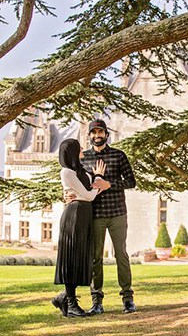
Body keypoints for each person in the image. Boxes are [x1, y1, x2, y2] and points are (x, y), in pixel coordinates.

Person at [65, 119, 137, 315]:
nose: (97, 135)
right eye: (94, 132)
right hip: (94, 215)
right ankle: (97, 302)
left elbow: (131, 181)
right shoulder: (82, 159)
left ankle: (128, 299)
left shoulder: (118, 155)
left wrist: (110, 184)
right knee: (95, 258)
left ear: (106, 134)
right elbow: (75, 185)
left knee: (121, 255)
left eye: (101, 132)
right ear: (89, 136)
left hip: (117, 213)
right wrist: (68, 194)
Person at [52, 139, 106, 318]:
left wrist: (94, 179)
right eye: (79, 147)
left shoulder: (79, 171)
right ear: (72, 152)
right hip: (74, 215)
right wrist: (98, 179)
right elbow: (90, 195)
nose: (83, 148)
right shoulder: (66, 172)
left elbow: (86, 191)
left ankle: (65, 298)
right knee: (72, 258)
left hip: (84, 215)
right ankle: (71, 304)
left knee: (80, 257)